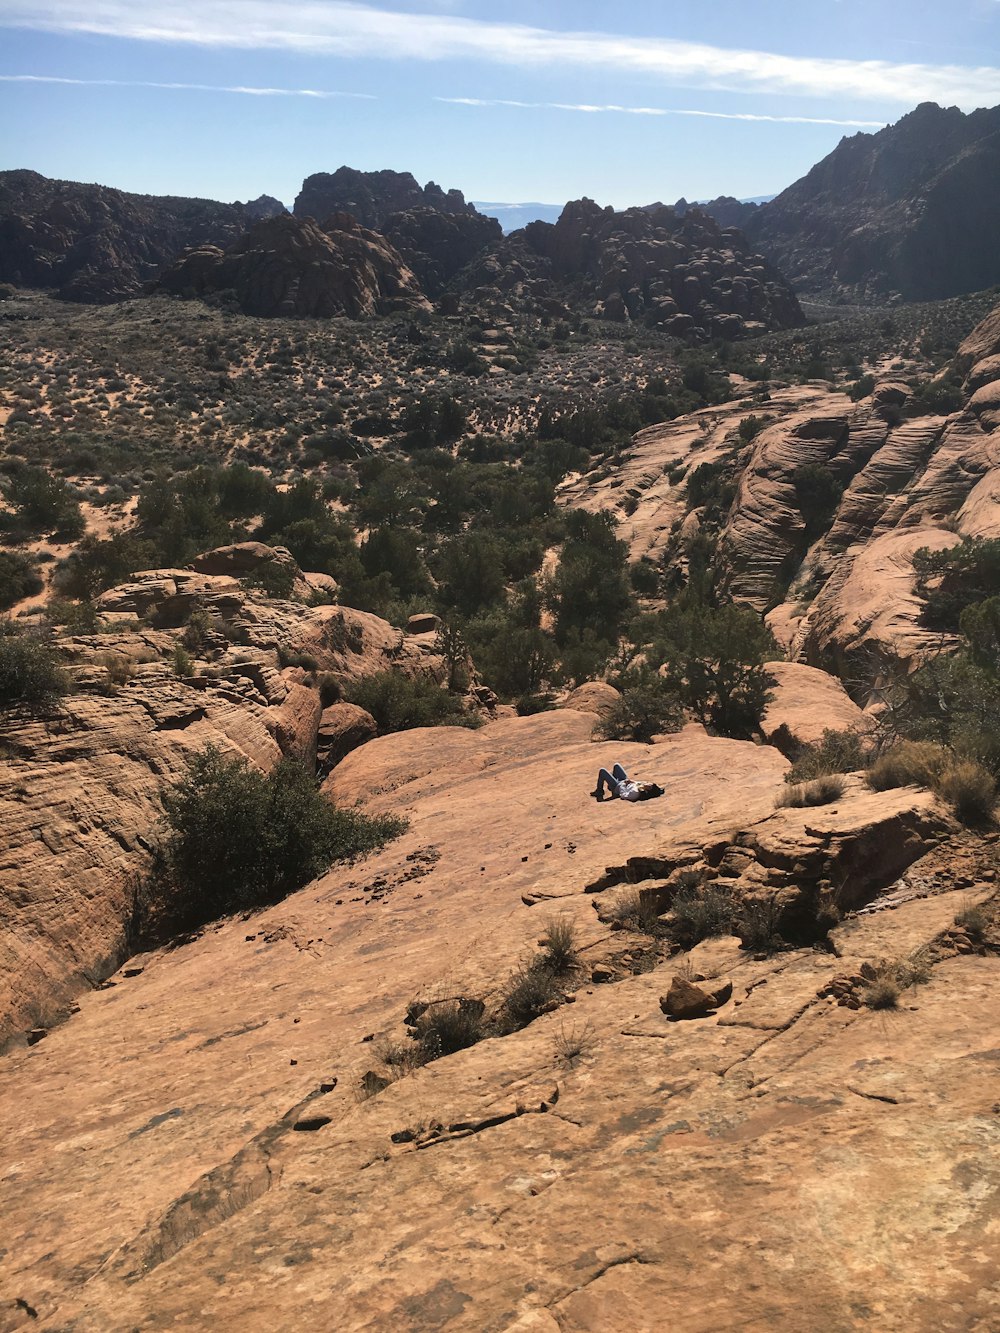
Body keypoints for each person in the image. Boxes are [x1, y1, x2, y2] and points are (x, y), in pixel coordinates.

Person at [591, 762, 663, 802]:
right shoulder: (641, 786)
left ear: (648, 790)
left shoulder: (635, 793)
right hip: (623, 781)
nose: (647, 783)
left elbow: (623, 795)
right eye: (649, 783)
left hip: (617, 787)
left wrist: (623, 785)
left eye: (649, 785)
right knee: (616, 765)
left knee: (602, 770)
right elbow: (635, 783)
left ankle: (599, 790)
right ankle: (610, 785)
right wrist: (631, 781)